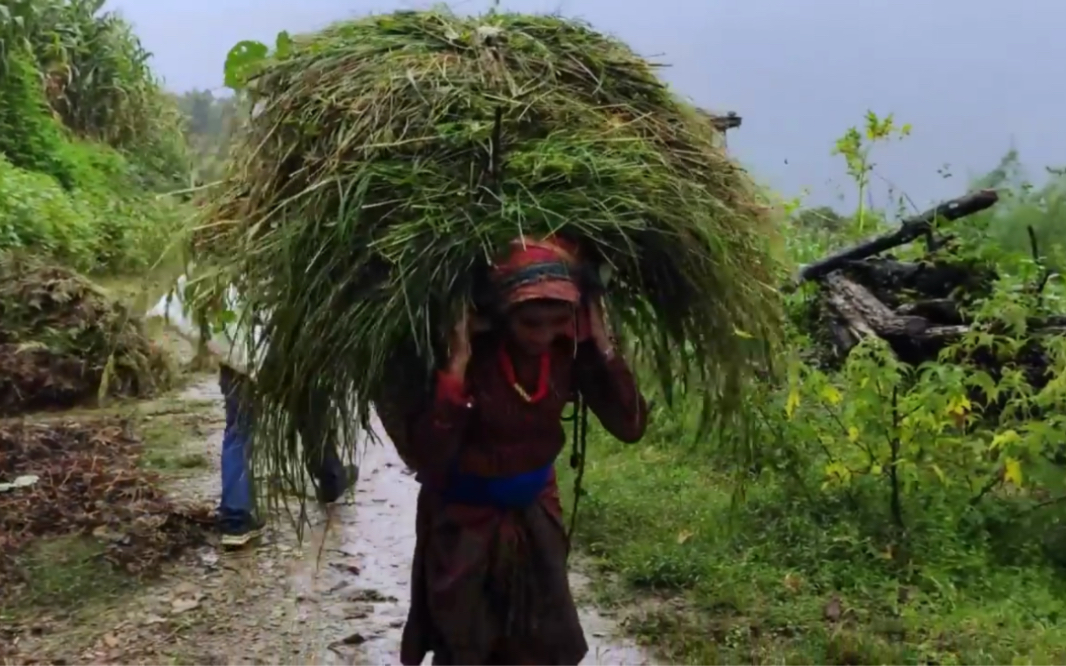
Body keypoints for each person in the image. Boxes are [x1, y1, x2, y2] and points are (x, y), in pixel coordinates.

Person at [397, 237, 648, 665]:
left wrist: (602, 342)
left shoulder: (570, 350)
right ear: (500, 313)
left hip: (535, 518)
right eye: (531, 323)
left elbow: (630, 425)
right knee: (465, 645)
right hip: (464, 526)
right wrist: (456, 366)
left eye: (558, 320)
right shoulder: (471, 356)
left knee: (539, 644)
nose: (544, 335)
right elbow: (431, 456)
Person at [148, 275, 357, 549]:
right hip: (279, 353)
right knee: (310, 411)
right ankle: (331, 479)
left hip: (236, 358)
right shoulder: (272, 262)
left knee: (239, 430)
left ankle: (236, 519)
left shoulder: (210, 269)